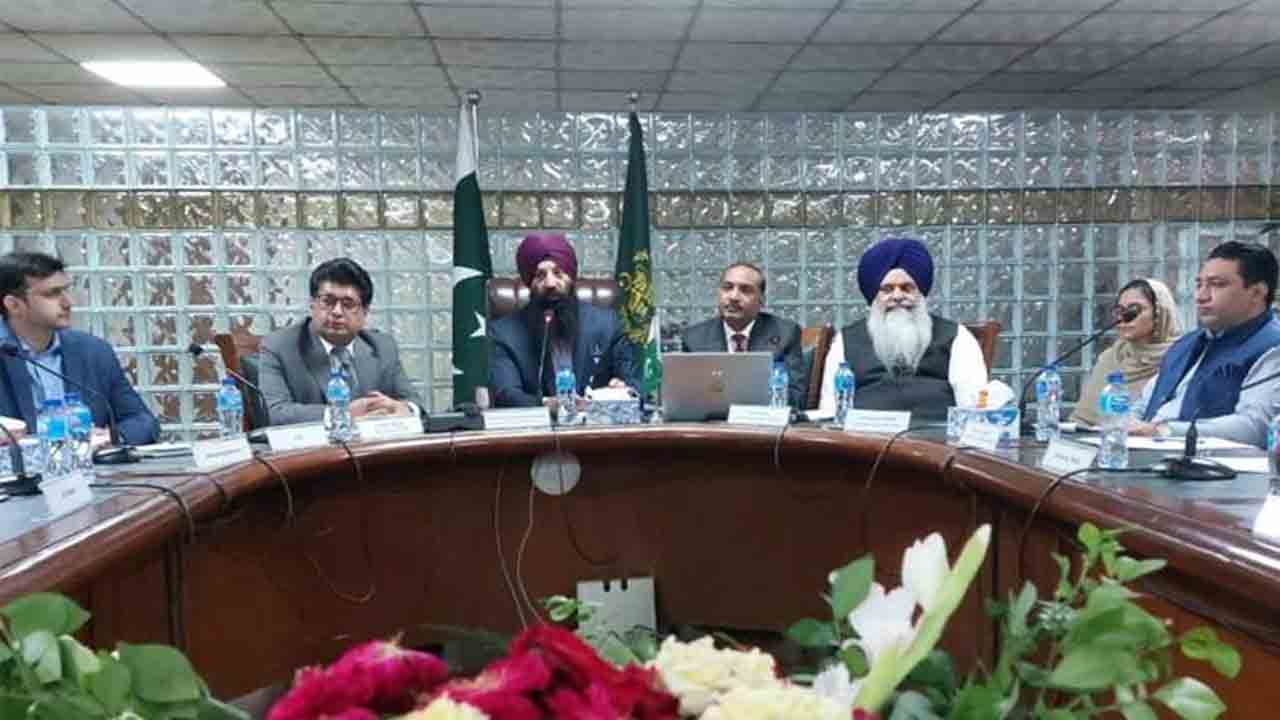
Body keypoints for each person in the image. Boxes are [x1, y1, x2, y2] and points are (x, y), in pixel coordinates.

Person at [818, 236, 987, 421]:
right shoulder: (846, 341)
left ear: (920, 292)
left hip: (934, 437)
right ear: (874, 295)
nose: (897, 296)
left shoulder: (957, 337)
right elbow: (829, 412)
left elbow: (974, 411)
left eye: (907, 288)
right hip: (862, 438)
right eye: (887, 289)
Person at [1131, 241, 1280, 448]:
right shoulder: (1186, 344)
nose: (1201, 296)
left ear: (1257, 293)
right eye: (1199, 285)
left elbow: (1255, 427)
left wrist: (1164, 431)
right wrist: (1122, 426)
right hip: (1148, 453)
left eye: (1217, 284)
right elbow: (1145, 404)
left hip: (1210, 464)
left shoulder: (1272, 346)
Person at [0, 252, 159, 445]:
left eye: (65, 291)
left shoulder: (93, 351)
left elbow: (142, 422)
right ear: (14, 305)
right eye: (52, 294)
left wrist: (111, 437)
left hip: (87, 463)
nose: (68, 303)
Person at [259, 257, 422, 426]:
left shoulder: (382, 346)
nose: (337, 312)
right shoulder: (279, 346)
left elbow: (414, 403)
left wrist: (402, 409)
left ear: (365, 312)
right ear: (312, 304)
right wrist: (342, 413)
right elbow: (275, 413)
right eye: (328, 301)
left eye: (348, 304)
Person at [489, 233, 636, 408]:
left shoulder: (608, 324)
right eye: (540, 275)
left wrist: (623, 388)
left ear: (571, 276)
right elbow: (506, 394)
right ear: (529, 282)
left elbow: (633, 382)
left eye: (558, 273)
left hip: (597, 421)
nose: (550, 283)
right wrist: (547, 404)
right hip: (538, 424)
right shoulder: (503, 333)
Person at [680, 262, 805, 408]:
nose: (734, 297)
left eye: (745, 290)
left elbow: (796, 397)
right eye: (727, 288)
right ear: (718, 293)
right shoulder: (694, 338)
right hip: (712, 419)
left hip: (761, 420)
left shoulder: (785, 333)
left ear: (761, 300)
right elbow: (685, 397)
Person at [1069, 278, 1181, 426]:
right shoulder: (1111, 358)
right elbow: (1082, 420)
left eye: (1134, 310)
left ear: (1160, 314)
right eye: (1120, 310)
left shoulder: (1182, 358)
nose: (1123, 318)